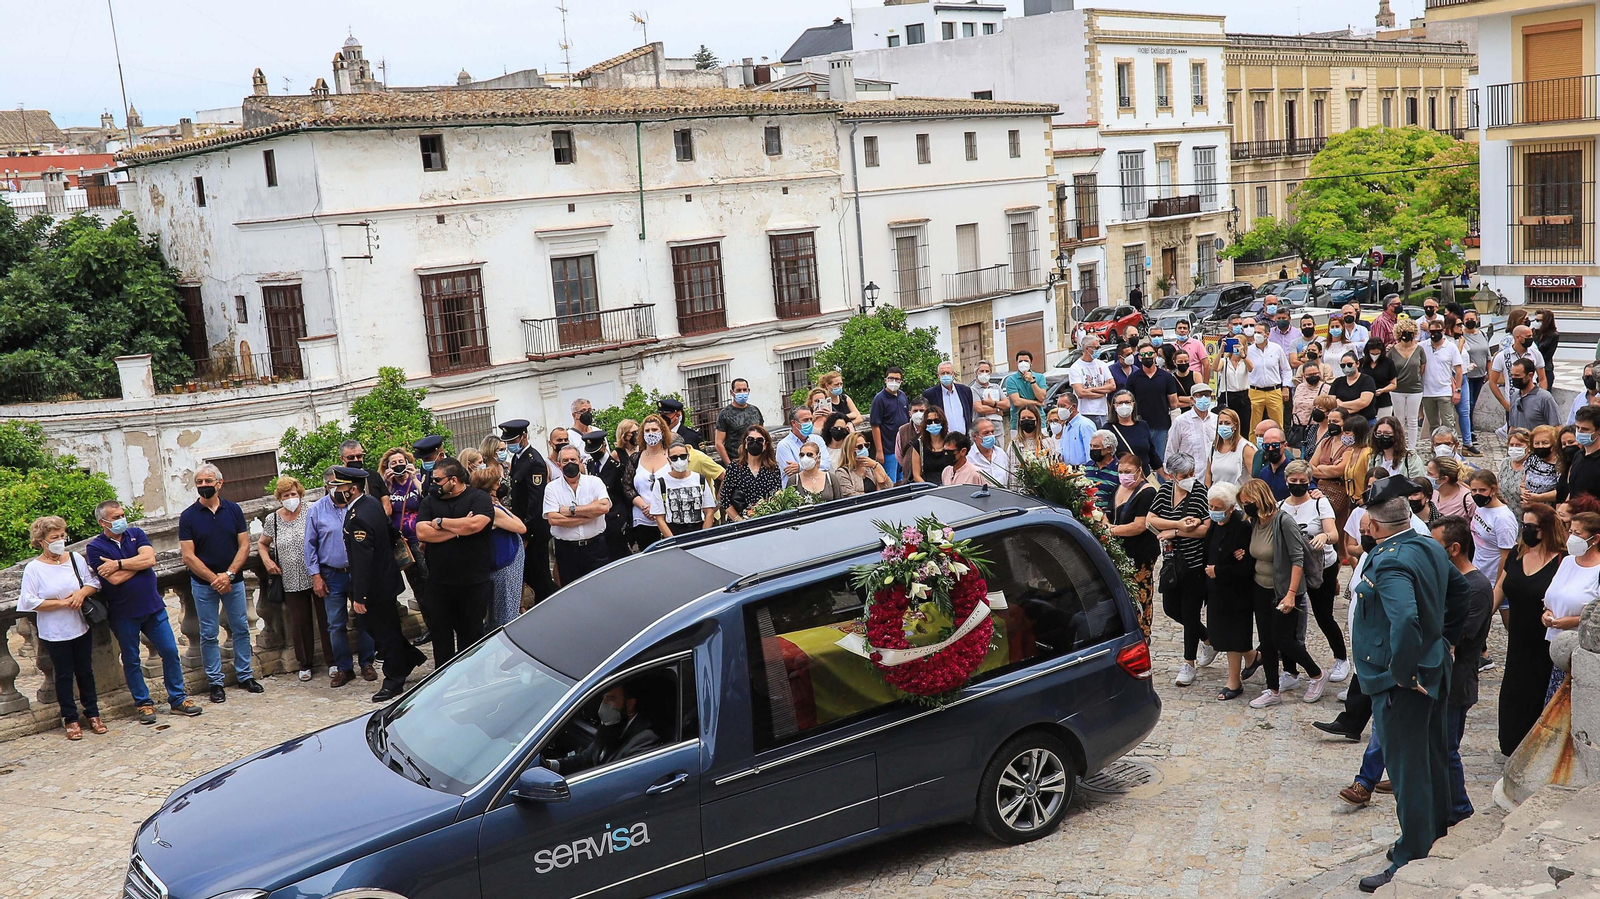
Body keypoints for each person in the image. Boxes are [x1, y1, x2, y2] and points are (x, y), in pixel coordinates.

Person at [1350, 477, 1472, 892]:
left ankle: (1412, 854)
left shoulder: (1390, 560)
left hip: (1403, 681)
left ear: (1375, 525)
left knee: (1408, 771)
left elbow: (1404, 619)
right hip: (1434, 668)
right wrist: (1446, 640)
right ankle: (1431, 833)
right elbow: (1462, 593)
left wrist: (1404, 674)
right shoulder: (1429, 547)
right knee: (1434, 756)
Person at [87, 500, 200, 722]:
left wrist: (119, 564)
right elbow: (114, 579)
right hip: (123, 613)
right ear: (103, 521)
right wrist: (138, 566)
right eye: (116, 517)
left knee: (169, 651)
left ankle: (178, 698)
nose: (121, 520)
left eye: (122, 515)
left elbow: (150, 559)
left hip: (153, 607)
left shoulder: (136, 533)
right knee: (131, 659)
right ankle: (144, 704)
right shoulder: (95, 547)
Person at [337, 466, 428, 703]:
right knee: (382, 629)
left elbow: (362, 559)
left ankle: (394, 678)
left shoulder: (359, 516)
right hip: (385, 580)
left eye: (340, 487)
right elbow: (390, 533)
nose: (336, 491)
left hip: (375, 585)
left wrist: (360, 596)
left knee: (383, 632)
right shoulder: (370, 503)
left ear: (352, 488)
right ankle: (408, 657)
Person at [1239, 477, 1325, 708]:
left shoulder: (1283, 522)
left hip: (1284, 590)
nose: (1245, 506)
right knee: (1266, 642)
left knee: (1284, 639)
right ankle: (1272, 688)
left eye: (1248, 501)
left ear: (1259, 499)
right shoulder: (1255, 522)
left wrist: (1290, 594)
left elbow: (1297, 559)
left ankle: (1316, 674)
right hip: (1261, 587)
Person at [179, 463, 259, 704]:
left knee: (241, 627)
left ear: (219, 483)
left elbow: (244, 545)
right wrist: (215, 579)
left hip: (233, 581)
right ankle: (216, 682)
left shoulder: (233, 510)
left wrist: (229, 575)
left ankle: (245, 675)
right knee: (208, 633)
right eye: (199, 482)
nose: (204, 486)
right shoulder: (188, 516)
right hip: (204, 585)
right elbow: (188, 555)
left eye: (208, 481)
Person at [19, 516, 104, 740]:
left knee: (85, 671)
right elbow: (29, 601)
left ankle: (93, 713)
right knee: (63, 675)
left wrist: (80, 594)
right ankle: (70, 718)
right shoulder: (34, 569)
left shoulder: (75, 558)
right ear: (41, 541)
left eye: (62, 536)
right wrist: (61, 603)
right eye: (54, 537)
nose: (60, 540)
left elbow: (92, 582)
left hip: (80, 625)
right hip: (54, 631)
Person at [1497, 502, 1565, 756]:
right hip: (1517, 638)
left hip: (1545, 640)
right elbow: (1499, 589)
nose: (1525, 530)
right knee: (1514, 690)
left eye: (1530, 526)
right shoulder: (1518, 553)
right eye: (1523, 525)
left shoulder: (1562, 560)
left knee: (1539, 691)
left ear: (1545, 528)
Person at [416, 457, 494, 664]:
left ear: (453, 480)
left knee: (471, 636)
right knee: (441, 637)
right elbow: (422, 532)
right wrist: (458, 531)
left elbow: (475, 525)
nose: (434, 485)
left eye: (438, 480)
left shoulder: (478, 498)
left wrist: (441, 523)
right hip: (439, 582)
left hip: (472, 582)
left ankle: (473, 678)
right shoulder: (430, 501)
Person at [305, 466, 377, 688]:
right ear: (327, 486)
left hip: (358, 572)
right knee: (336, 624)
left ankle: (367, 663)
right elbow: (310, 545)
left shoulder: (359, 506)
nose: (338, 490)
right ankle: (344, 668)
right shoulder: (316, 510)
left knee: (365, 619)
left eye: (341, 485)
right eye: (334, 485)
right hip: (331, 573)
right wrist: (316, 575)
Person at [1149, 452, 1216, 685]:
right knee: (1170, 608)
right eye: (1184, 475)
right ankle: (1208, 638)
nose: (1189, 478)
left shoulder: (1200, 492)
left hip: (1194, 562)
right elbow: (1151, 519)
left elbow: (1205, 528)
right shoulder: (1165, 491)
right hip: (1171, 561)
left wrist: (1176, 533)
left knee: (1190, 613)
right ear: (1173, 475)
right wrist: (1177, 524)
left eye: (1191, 473)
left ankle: (1188, 663)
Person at [1283, 460, 1350, 684]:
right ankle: (1290, 670)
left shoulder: (1320, 504)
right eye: (1294, 481)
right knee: (1289, 619)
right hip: (1293, 567)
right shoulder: (1281, 506)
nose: (1298, 485)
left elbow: (1333, 533)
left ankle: (1341, 658)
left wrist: (1324, 536)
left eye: (1303, 481)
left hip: (1320, 566)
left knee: (1323, 616)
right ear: (1287, 481)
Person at [258, 478, 328, 684]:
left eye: (293, 494)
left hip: (316, 574)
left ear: (300, 494)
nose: (290, 499)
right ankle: (304, 663)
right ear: (279, 498)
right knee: (299, 623)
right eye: (286, 495)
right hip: (289, 578)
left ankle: (333, 660)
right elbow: (262, 544)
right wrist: (267, 561)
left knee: (326, 619)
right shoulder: (273, 519)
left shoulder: (312, 511)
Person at [545, 682, 663, 776]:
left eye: (611, 699)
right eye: (604, 698)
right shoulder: (612, 727)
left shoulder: (645, 740)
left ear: (630, 704)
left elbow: (620, 780)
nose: (604, 704)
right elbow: (584, 760)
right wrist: (550, 765)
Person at [1206, 482, 1256, 700]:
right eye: (1211, 506)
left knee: (1233, 636)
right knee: (1221, 635)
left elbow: (1245, 565)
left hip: (1236, 592)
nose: (1213, 511)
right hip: (1216, 590)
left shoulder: (1241, 526)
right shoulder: (1214, 525)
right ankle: (1254, 656)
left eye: (1218, 508)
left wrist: (1219, 570)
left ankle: (1234, 682)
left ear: (1230, 508)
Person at [1544, 512, 1600, 702]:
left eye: (1578, 533)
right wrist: (1547, 613)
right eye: (1571, 532)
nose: (1572, 537)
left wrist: (1572, 621)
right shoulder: (1567, 561)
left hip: (1582, 651)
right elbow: (1553, 595)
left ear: (1595, 538)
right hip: (1557, 648)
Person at [500, 420, 554, 604]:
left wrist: (527, 534)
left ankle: (551, 608)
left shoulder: (534, 462)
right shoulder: (519, 458)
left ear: (524, 436)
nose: (509, 445)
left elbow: (535, 502)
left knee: (540, 578)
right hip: (523, 526)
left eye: (512, 440)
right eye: (507, 441)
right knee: (532, 576)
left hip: (534, 531)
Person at [545, 444, 613, 581]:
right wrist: (589, 515)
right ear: (559, 465)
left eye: (573, 460)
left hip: (595, 548)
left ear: (580, 461)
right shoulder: (552, 488)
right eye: (565, 461)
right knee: (571, 594)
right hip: (567, 551)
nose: (570, 463)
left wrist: (572, 510)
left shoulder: (595, 482)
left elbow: (604, 507)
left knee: (600, 589)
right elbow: (554, 519)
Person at [1109, 453, 1159, 640]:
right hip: (1120, 551)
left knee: (1140, 596)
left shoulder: (1147, 492)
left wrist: (1112, 531)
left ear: (1139, 471)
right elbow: (1108, 512)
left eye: (1128, 471)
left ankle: (1141, 634)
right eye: (1121, 471)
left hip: (1141, 553)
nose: (1124, 475)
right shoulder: (1118, 488)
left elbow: (1140, 525)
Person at [473, 464, 527, 631]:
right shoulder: (494, 510)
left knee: (494, 613)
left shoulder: (476, 506)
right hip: (506, 564)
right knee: (506, 613)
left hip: (494, 563)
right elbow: (521, 527)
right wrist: (503, 508)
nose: (500, 485)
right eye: (497, 483)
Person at [378, 448, 429, 607]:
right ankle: (430, 624)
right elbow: (383, 511)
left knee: (430, 580)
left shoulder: (418, 479)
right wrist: (386, 485)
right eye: (394, 463)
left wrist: (414, 478)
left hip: (421, 539)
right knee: (417, 586)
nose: (398, 465)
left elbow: (427, 498)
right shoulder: (387, 487)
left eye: (401, 462)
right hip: (403, 543)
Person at [623, 414, 675, 550]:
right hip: (642, 519)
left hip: (668, 517)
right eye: (647, 431)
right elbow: (627, 486)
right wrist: (645, 507)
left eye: (654, 430)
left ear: (662, 432)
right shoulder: (636, 458)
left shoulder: (672, 455)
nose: (651, 433)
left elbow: (678, 483)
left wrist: (657, 509)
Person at [649, 441, 718, 536]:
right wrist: (672, 541)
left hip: (699, 529)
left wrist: (703, 536)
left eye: (682, 456)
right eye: (674, 458)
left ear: (688, 457)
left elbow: (709, 511)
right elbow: (659, 518)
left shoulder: (699, 479)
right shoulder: (661, 483)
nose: (679, 460)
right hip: (674, 531)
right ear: (669, 460)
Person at [1467, 469, 1520, 588]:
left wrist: (1497, 587)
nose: (1477, 494)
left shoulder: (1503, 518)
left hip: (1491, 579)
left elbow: (1506, 556)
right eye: (1473, 490)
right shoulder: (1480, 507)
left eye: (1482, 490)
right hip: (1478, 573)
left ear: (1494, 490)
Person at [1127, 341, 1180, 459]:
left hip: (1161, 426)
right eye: (1144, 354)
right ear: (1139, 358)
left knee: (1161, 460)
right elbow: (1129, 402)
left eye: (1150, 353)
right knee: (1140, 460)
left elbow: (1173, 403)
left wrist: (1172, 424)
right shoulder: (1133, 378)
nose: (1147, 356)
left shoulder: (1166, 377)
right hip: (1139, 425)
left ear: (1155, 355)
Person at [721, 425, 784, 521]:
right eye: (750, 439)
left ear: (765, 445)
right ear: (745, 444)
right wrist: (739, 520)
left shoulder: (773, 469)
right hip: (739, 523)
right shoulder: (734, 467)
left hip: (766, 521)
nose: (754, 442)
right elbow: (725, 498)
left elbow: (778, 496)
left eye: (759, 440)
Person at [1247, 317, 1294, 443]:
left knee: (1278, 424)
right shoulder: (1248, 351)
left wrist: (1286, 387)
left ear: (1267, 334)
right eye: (1255, 332)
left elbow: (1286, 369)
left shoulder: (1276, 348)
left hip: (1274, 390)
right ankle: (1253, 452)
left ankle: (1279, 448)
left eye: (1259, 333)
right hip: (1255, 391)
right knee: (1253, 426)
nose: (1256, 335)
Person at [1309, 408, 1354, 527]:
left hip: (1342, 495)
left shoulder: (1350, 444)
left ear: (1345, 423)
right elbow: (1310, 468)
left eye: (1335, 421)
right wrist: (1330, 469)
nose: (1331, 425)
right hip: (1321, 491)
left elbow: (1340, 470)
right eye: (1329, 422)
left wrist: (1320, 467)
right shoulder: (1324, 442)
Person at [1489, 325, 1547, 417]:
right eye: (1528, 336)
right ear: (1517, 337)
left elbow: (1542, 378)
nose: (1531, 338)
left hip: (1533, 403)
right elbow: (1492, 382)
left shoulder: (1536, 354)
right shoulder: (1502, 356)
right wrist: (1504, 403)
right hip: (1512, 403)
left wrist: (1542, 398)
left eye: (1531, 336)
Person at [1386, 319, 1427, 449]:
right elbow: (1389, 370)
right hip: (1397, 389)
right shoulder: (1392, 351)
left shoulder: (1419, 349)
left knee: (1413, 419)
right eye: (1404, 332)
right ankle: (1400, 445)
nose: (1407, 335)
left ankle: (1412, 447)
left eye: (1409, 332)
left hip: (1415, 389)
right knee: (1399, 419)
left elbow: (1422, 368)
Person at [1167, 383, 1220, 481]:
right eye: (1200, 395)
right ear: (1192, 399)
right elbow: (1171, 450)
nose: (1204, 398)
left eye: (1207, 395)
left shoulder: (1217, 420)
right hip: (1189, 478)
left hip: (1213, 477)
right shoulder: (1180, 421)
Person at [870, 366, 912, 482]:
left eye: (897, 379)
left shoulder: (902, 396)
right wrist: (879, 451)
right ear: (885, 380)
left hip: (903, 447)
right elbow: (875, 426)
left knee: (902, 479)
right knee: (889, 481)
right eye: (891, 378)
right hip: (888, 449)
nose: (894, 381)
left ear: (901, 381)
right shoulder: (879, 399)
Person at [1106, 388, 1162, 475]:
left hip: (1143, 476)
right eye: (1120, 403)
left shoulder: (1143, 425)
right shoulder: (1107, 429)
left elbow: (1152, 454)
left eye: (1127, 402)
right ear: (1114, 406)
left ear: (1133, 404)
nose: (1124, 405)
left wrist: (1165, 476)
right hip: (1121, 477)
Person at [714, 378, 764, 466]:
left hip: (757, 461)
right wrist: (729, 465)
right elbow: (718, 443)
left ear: (749, 391)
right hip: (737, 462)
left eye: (745, 390)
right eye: (738, 390)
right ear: (732, 393)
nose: (742, 393)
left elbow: (763, 435)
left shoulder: (755, 410)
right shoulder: (725, 414)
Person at [776, 406, 832, 478]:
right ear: (794, 423)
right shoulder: (784, 445)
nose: (809, 422)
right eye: (805, 420)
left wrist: (800, 467)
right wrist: (815, 464)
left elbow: (826, 465)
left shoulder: (818, 439)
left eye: (811, 419)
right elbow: (791, 473)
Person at [1559, 406, 1600, 504]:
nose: (1580, 432)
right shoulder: (1578, 455)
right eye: (1578, 428)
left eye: (1585, 429)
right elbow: (1573, 490)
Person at [789, 438, 854, 499]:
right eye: (802, 455)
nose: (805, 458)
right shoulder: (794, 480)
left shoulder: (831, 478)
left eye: (809, 454)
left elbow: (840, 502)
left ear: (818, 457)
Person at [1290, 360, 1331, 455]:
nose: (1312, 376)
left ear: (1320, 373)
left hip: (1316, 427)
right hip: (1299, 427)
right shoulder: (1299, 387)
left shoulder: (1327, 388)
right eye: (1309, 374)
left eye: (1315, 373)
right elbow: (1295, 405)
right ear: (1304, 376)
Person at [1507, 358, 1561, 432]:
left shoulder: (1544, 398)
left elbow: (1556, 427)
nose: (1514, 378)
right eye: (1512, 375)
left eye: (1517, 376)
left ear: (1530, 375)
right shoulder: (1515, 396)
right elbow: (1513, 426)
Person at [924, 361, 974, 439]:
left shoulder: (965, 390)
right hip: (944, 439)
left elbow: (969, 412)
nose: (945, 375)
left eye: (948, 372)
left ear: (953, 374)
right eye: (942, 373)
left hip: (965, 439)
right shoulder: (930, 394)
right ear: (938, 376)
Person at [1369, 415, 1426, 481]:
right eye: (1379, 433)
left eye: (1387, 433)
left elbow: (1419, 484)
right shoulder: (1374, 457)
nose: (1382, 436)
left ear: (1396, 435)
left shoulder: (1411, 458)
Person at [1207, 409, 1254, 489]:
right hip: (1216, 497)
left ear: (1235, 426)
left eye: (1227, 423)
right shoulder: (1213, 447)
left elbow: (1254, 478)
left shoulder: (1246, 448)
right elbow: (1208, 474)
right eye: (1220, 423)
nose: (1223, 426)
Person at [909, 405, 956, 483]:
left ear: (942, 421)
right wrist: (928, 489)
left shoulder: (952, 442)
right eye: (929, 422)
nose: (933, 424)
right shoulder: (918, 444)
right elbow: (916, 475)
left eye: (937, 421)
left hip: (949, 485)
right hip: (927, 487)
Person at [1523, 425, 1563, 512]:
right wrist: (1524, 493)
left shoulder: (1560, 464)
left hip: (1549, 511)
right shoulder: (1532, 459)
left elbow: (1562, 491)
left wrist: (1538, 497)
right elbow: (1523, 482)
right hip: (1529, 508)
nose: (1540, 446)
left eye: (1545, 443)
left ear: (1554, 444)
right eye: (1537, 443)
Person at [1332, 350, 1378, 425]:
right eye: (1343, 365)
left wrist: (1341, 404)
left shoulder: (1367, 380)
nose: (1346, 367)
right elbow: (1332, 403)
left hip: (1366, 422)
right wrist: (1353, 408)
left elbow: (1363, 402)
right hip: (1343, 423)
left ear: (1357, 364)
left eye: (1349, 364)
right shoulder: (1338, 382)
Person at [1051, 390, 1097, 466]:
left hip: (1082, 471)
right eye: (1058, 406)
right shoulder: (1066, 425)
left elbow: (1091, 453)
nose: (1060, 410)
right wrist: (1059, 455)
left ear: (1074, 407)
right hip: (1068, 471)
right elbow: (1063, 448)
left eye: (1063, 406)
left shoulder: (1085, 425)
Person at [842, 430, 893, 495]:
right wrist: (873, 495)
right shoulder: (843, 472)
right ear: (850, 450)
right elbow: (850, 495)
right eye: (860, 447)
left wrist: (877, 466)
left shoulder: (872, 467)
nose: (864, 449)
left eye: (866, 445)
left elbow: (889, 488)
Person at [971, 360, 1010, 445]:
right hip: (981, 431)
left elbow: (1007, 404)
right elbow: (980, 408)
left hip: (998, 430)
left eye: (987, 371)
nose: (984, 373)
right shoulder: (973, 389)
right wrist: (998, 410)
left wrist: (992, 403)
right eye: (981, 371)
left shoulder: (996, 387)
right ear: (976, 372)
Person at [1252, 427, 1293, 500]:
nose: (1270, 449)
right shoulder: (1263, 473)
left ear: (1285, 445)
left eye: (1275, 445)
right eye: (1266, 446)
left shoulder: (1294, 471)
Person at [895, 398, 928, 485]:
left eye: (922, 410)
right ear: (910, 413)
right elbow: (899, 456)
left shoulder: (936, 428)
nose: (918, 414)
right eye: (915, 411)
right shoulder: (902, 431)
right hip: (910, 479)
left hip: (930, 477)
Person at [969, 419, 1011, 487]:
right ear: (974, 436)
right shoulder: (969, 457)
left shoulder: (1001, 453)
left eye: (992, 432)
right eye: (986, 433)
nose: (990, 435)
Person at [1430, 458, 1474, 522]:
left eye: (1430, 474)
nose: (1426, 476)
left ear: (1444, 479)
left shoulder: (1468, 500)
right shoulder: (1433, 492)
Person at [1534, 308, 1561, 391]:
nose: (1537, 323)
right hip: (1531, 369)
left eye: (1539, 320)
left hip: (1545, 369)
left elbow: (1548, 354)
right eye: (1536, 320)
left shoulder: (1553, 335)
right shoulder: (1533, 333)